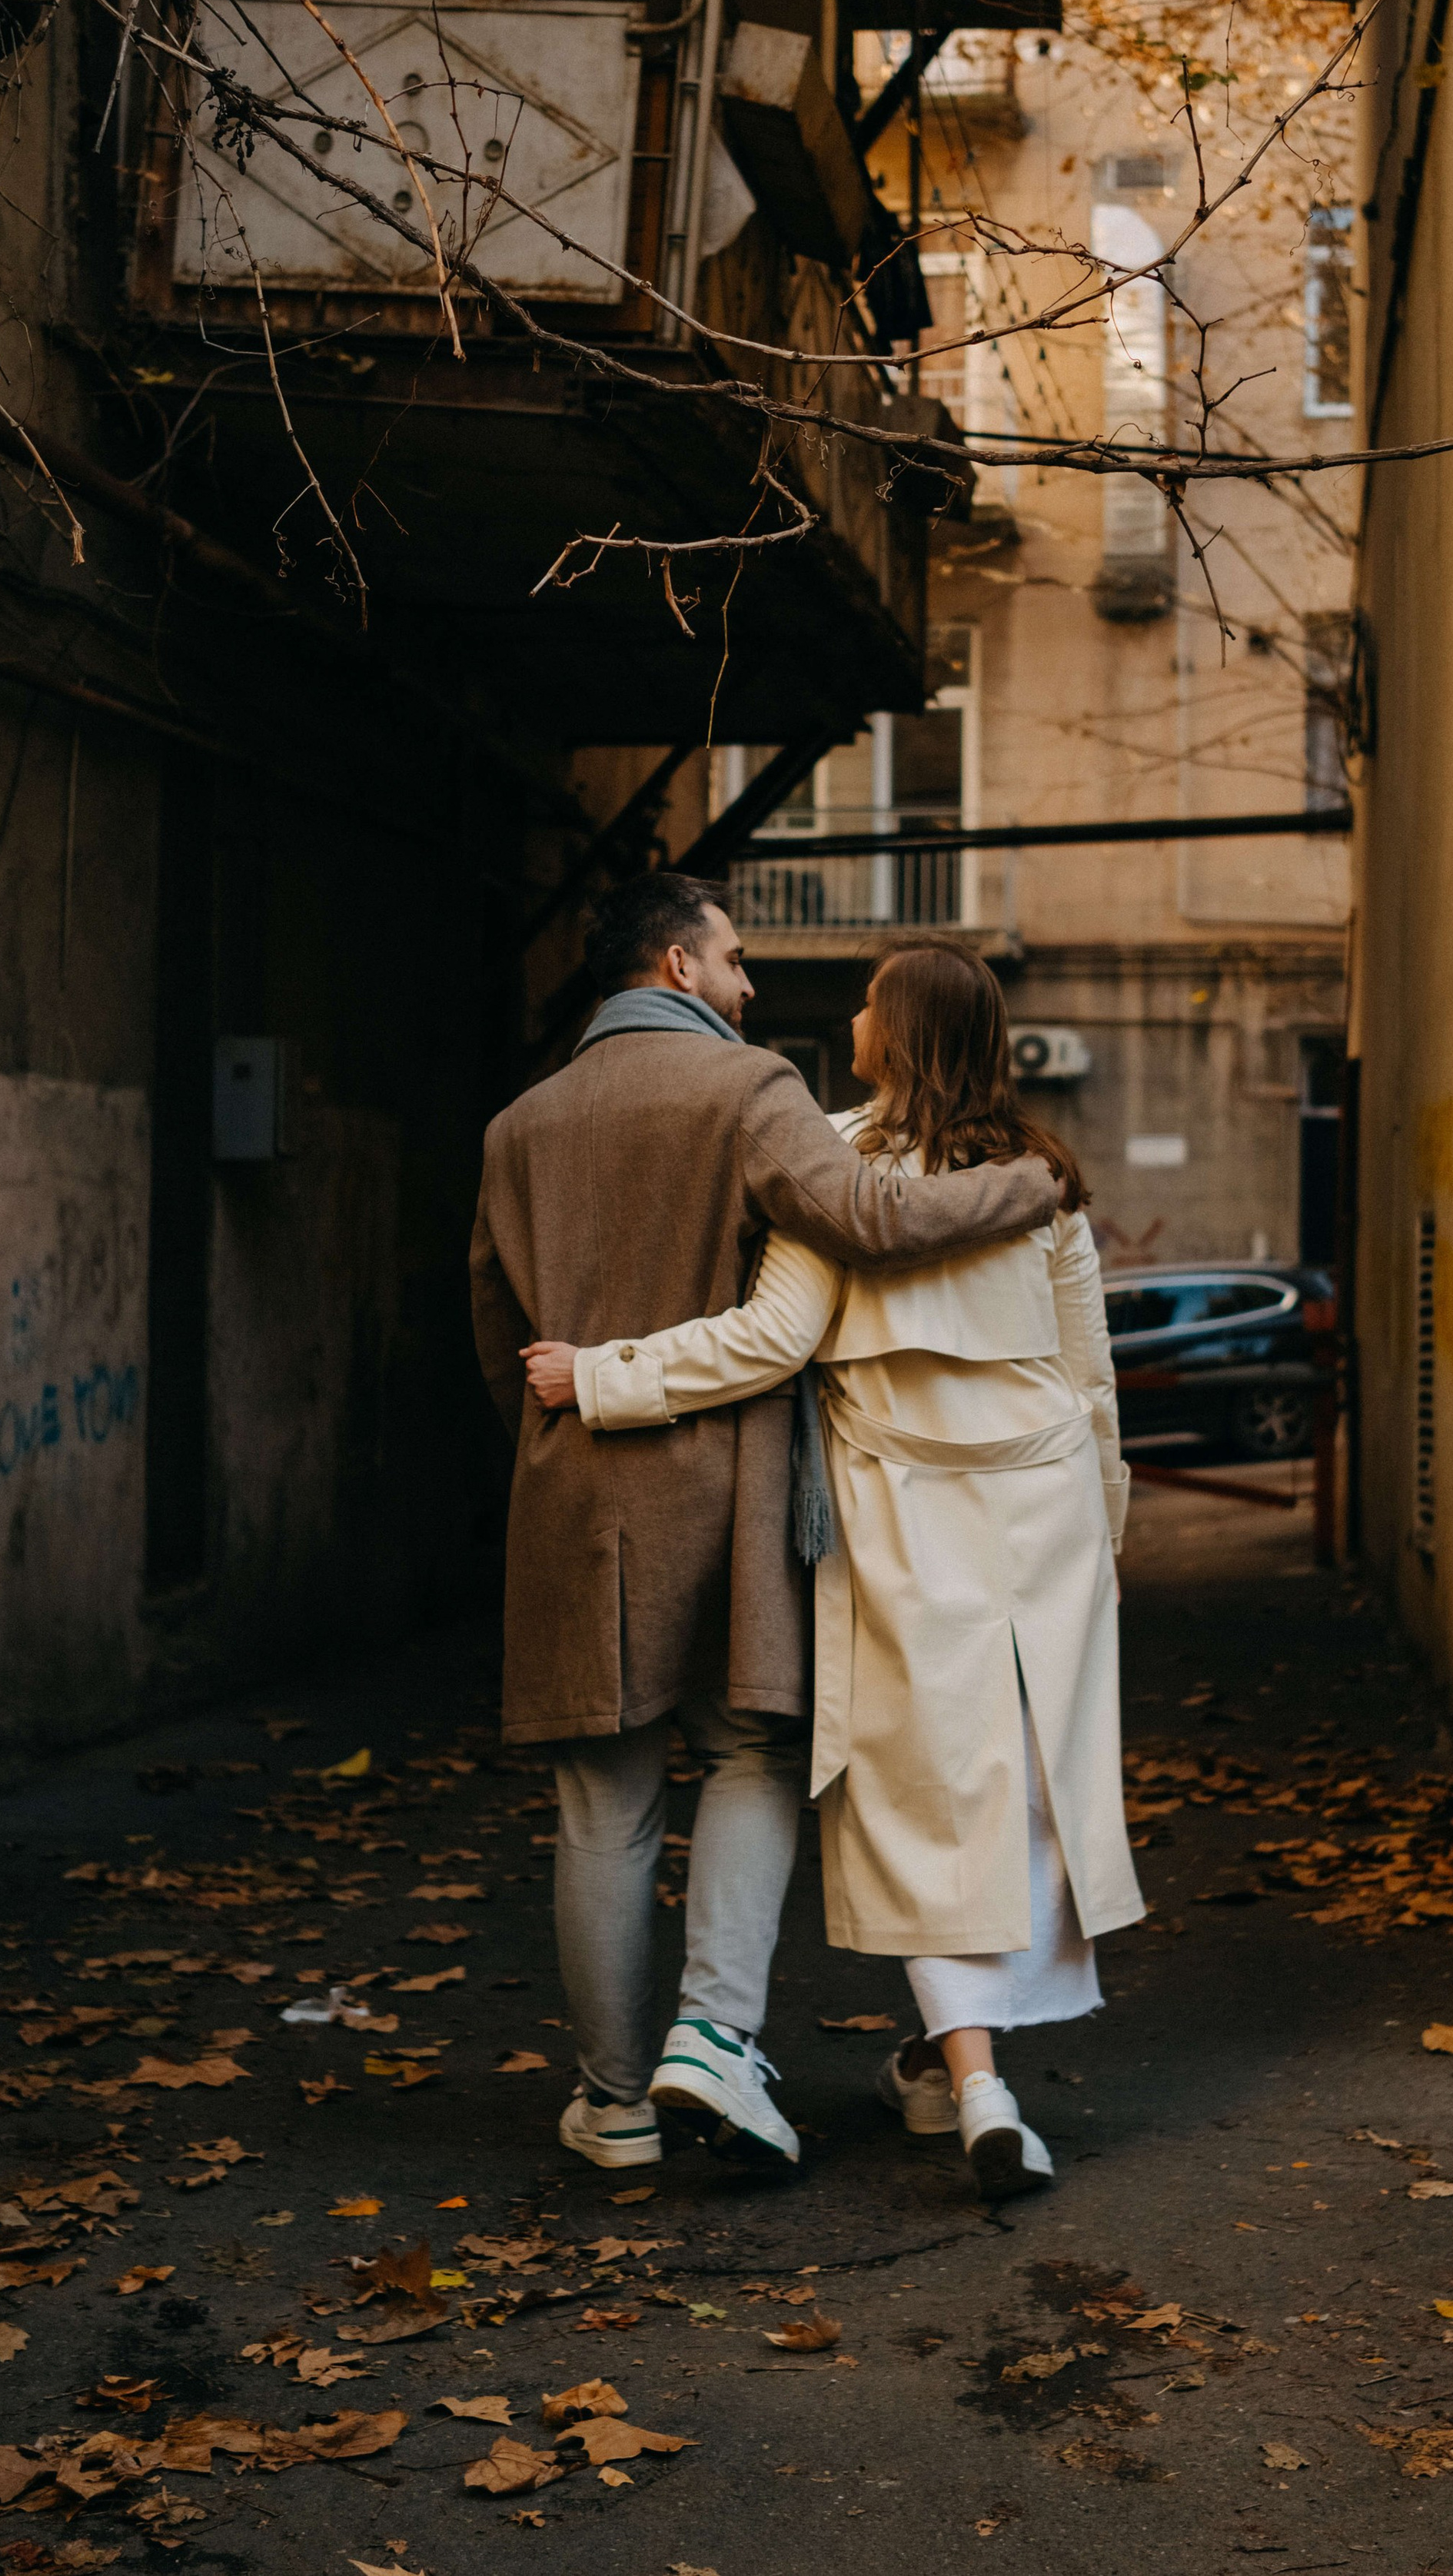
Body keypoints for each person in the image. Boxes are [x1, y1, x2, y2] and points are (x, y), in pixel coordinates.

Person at [522, 937, 1142, 2201]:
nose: (851, 1018)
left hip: (908, 1514)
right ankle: (946, 2068)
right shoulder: (1045, 1176)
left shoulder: (839, 1158)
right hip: (1049, 1508)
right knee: (1025, 1797)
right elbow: (1092, 1383)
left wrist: (599, 1375)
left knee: (926, 1802)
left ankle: (970, 2080)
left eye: (868, 1004)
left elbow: (768, 1340)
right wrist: (1108, 1536)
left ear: (898, 1035)